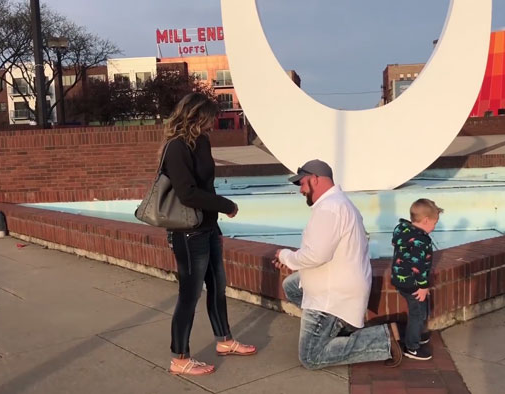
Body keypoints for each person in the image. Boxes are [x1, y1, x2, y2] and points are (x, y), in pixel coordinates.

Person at [273, 159, 402, 370]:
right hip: (338, 280)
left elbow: (316, 256)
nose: (301, 190)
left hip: (331, 295)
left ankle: (383, 339)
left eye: (303, 183)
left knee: (311, 356)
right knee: (291, 286)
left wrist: (286, 256)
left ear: (316, 179)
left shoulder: (329, 209)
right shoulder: (338, 203)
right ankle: (334, 331)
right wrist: (291, 261)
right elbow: (318, 252)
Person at [162, 93, 256, 376]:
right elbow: (187, 193)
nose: (213, 122)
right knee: (189, 295)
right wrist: (227, 205)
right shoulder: (176, 147)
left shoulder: (200, 142)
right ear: (195, 116)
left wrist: (215, 221)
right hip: (187, 234)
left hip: (207, 228)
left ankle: (225, 340)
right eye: (210, 117)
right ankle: (180, 358)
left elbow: (206, 186)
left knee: (218, 286)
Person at [391, 198, 442, 361]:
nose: (434, 228)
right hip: (413, 283)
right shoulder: (421, 240)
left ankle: (416, 334)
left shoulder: (402, 229)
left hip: (400, 280)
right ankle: (411, 347)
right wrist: (423, 286)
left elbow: (395, 243)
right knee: (418, 314)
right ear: (426, 220)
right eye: (434, 224)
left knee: (419, 311)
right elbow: (418, 265)